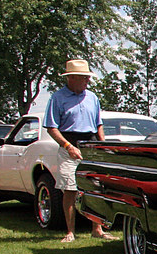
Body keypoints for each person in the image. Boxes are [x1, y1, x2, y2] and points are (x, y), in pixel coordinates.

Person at [43, 59, 114, 242]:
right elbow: (52, 127)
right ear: (71, 78)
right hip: (69, 144)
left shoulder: (92, 97)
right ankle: (70, 231)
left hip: (91, 145)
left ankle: (97, 228)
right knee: (70, 189)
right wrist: (68, 146)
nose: (87, 82)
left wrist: (102, 145)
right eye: (84, 78)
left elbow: (98, 124)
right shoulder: (57, 98)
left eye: (88, 78)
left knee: (95, 188)